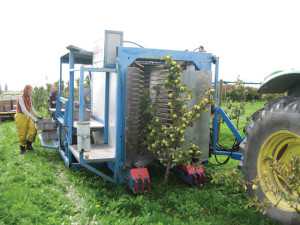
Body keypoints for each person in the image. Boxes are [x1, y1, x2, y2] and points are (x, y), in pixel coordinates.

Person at [15, 85, 41, 154]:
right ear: (26, 90)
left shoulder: (29, 97)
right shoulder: (20, 97)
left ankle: (29, 145)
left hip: (28, 115)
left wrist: (38, 116)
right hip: (20, 116)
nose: (31, 92)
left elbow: (31, 108)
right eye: (30, 90)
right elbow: (24, 110)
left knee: (33, 129)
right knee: (22, 133)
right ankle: (22, 148)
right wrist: (34, 118)